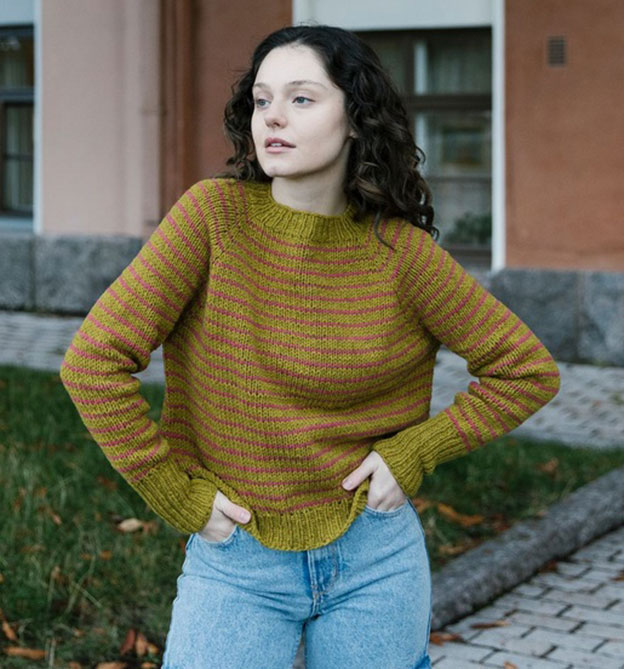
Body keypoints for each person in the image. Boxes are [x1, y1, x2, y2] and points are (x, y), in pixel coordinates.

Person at [59, 24, 561, 669]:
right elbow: (93, 363)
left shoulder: (401, 254)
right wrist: (176, 496)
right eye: (262, 100)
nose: (273, 117)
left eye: (301, 98)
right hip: (238, 556)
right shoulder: (212, 219)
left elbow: (526, 371)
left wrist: (415, 451)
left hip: (375, 557)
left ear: (355, 118)